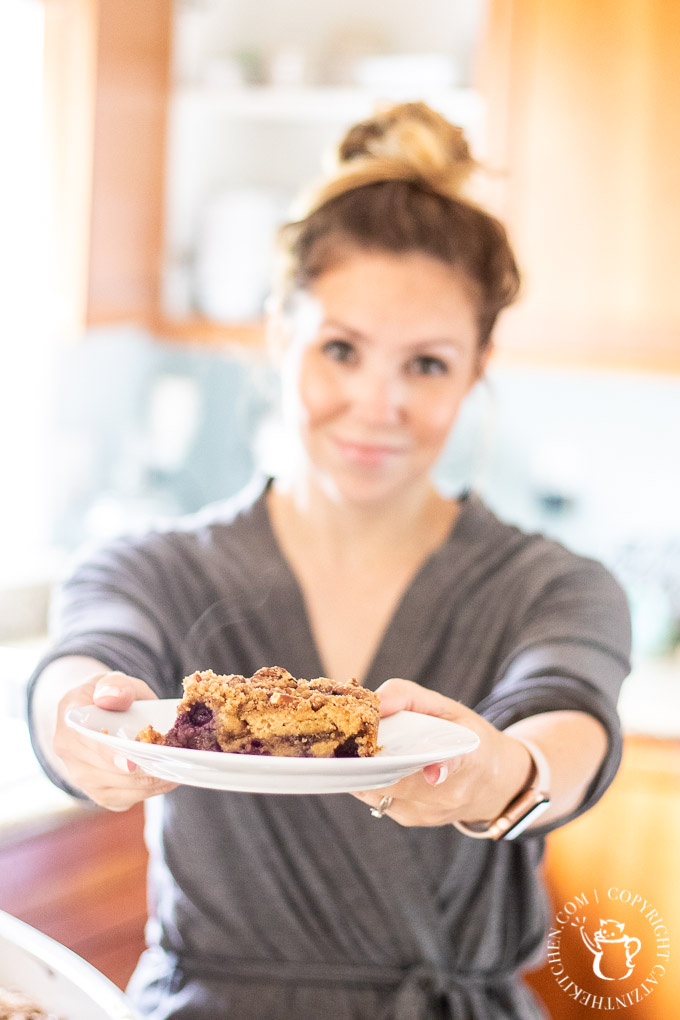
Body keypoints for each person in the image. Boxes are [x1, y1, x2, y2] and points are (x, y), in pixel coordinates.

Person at [27, 102, 631, 1019]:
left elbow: (570, 728)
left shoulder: (555, 589)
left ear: (476, 368)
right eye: (341, 349)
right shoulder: (152, 567)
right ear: (280, 334)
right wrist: (74, 726)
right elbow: (81, 665)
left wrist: (499, 774)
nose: (376, 403)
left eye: (426, 365)